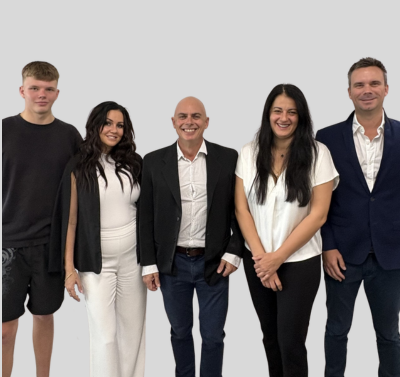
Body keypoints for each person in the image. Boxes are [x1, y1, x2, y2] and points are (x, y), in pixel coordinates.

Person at [235, 84, 339, 377]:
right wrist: (262, 260)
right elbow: (242, 209)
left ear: (301, 116)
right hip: (258, 262)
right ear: (268, 114)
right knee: (270, 339)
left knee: (290, 342)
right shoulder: (249, 152)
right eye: (278, 111)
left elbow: (318, 215)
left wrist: (277, 258)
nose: (284, 118)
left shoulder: (318, 154)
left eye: (292, 112)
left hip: (299, 263)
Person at [139, 96, 244, 377]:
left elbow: (241, 210)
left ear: (206, 122)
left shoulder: (228, 158)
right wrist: (148, 264)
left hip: (215, 263)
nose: (189, 122)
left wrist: (234, 252)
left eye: (196, 116)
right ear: (173, 123)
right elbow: (145, 217)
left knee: (213, 336)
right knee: (180, 331)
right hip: (172, 264)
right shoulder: (153, 161)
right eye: (183, 117)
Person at [316, 57, 400, 377]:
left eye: (374, 83)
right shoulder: (326, 138)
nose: (367, 90)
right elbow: (319, 199)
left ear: (386, 89)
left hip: (390, 254)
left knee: (389, 335)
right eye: (359, 84)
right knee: (336, 330)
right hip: (341, 253)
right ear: (349, 91)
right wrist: (327, 245)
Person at [48, 101, 146, 377]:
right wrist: (70, 270)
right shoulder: (79, 165)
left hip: (133, 260)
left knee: (132, 334)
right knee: (105, 337)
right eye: (108, 123)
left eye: (120, 125)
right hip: (96, 263)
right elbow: (71, 221)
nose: (114, 130)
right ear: (96, 125)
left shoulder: (134, 163)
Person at [2, 61, 81, 377]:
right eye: (34, 88)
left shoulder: (69, 135)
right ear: (22, 90)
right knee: (5, 328)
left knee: (44, 316)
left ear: (57, 93)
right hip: (8, 243)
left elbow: (84, 188)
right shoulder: (4, 130)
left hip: (51, 245)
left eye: (48, 89)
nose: (41, 94)